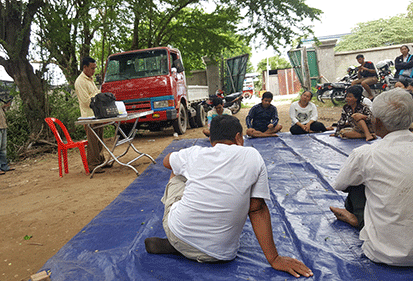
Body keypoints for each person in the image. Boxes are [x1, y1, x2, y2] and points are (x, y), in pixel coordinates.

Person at [145, 115, 313, 278]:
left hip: (179, 236)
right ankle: (190, 241)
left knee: (178, 170)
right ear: (238, 137)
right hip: (220, 254)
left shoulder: (194, 153)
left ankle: (180, 239)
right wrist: (274, 258)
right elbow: (257, 209)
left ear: (211, 139)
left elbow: (166, 161)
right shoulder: (252, 156)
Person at [329, 88, 413, 266]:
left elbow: (341, 184)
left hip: (382, 253)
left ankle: (358, 219)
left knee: (358, 183)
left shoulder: (366, 154)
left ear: (379, 123)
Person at [74, 57, 106, 173]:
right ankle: (92, 165)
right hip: (88, 116)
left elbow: (96, 93)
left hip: (97, 114)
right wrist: (98, 98)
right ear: (85, 67)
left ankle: (101, 161)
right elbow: (86, 101)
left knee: (99, 140)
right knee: (93, 142)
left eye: (94, 68)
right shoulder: (80, 82)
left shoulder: (90, 79)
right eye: (92, 68)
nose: (93, 71)